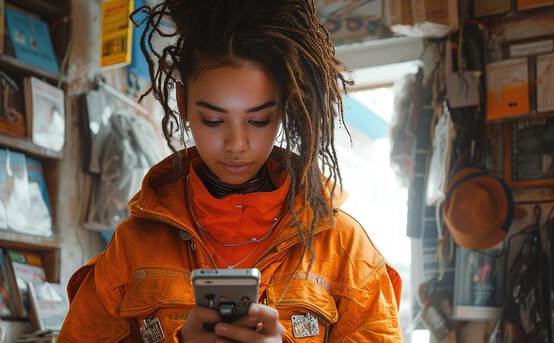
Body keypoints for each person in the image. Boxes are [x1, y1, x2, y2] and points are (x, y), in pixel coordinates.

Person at [59, 0, 402, 342]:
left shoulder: (344, 249)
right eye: (213, 120)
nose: (236, 143)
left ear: (284, 107)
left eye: (258, 120)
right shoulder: (132, 248)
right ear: (182, 103)